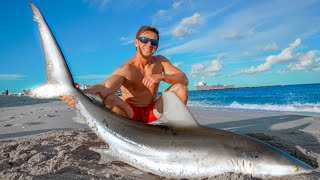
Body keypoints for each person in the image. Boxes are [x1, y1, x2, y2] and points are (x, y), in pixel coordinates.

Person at [62, 26, 188, 124]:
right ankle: (117, 133)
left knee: (180, 88)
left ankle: (173, 129)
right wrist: (81, 93)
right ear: (136, 42)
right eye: (144, 40)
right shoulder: (127, 69)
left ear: (157, 46)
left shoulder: (161, 61)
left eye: (153, 42)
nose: (149, 44)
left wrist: (161, 76)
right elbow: (105, 87)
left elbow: (184, 79)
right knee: (110, 99)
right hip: (129, 114)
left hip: (153, 112)